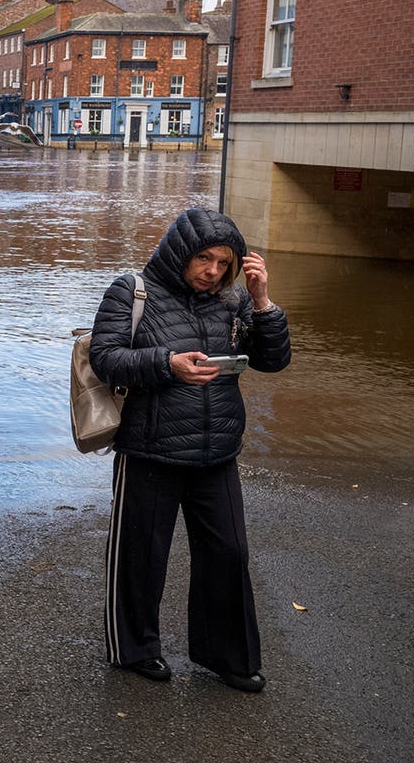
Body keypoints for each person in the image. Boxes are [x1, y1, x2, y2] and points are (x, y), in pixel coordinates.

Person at [88, 207, 291, 693]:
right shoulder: (131, 292)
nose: (213, 272)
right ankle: (135, 649)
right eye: (204, 259)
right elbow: (106, 358)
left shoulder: (233, 302)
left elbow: (273, 361)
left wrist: (263, 304)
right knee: (142, 555)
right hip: (149, 449)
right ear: (181, 251)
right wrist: (166, 363)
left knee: (229, 552)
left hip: (216, 450)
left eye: (224, 263)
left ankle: (226, 656)